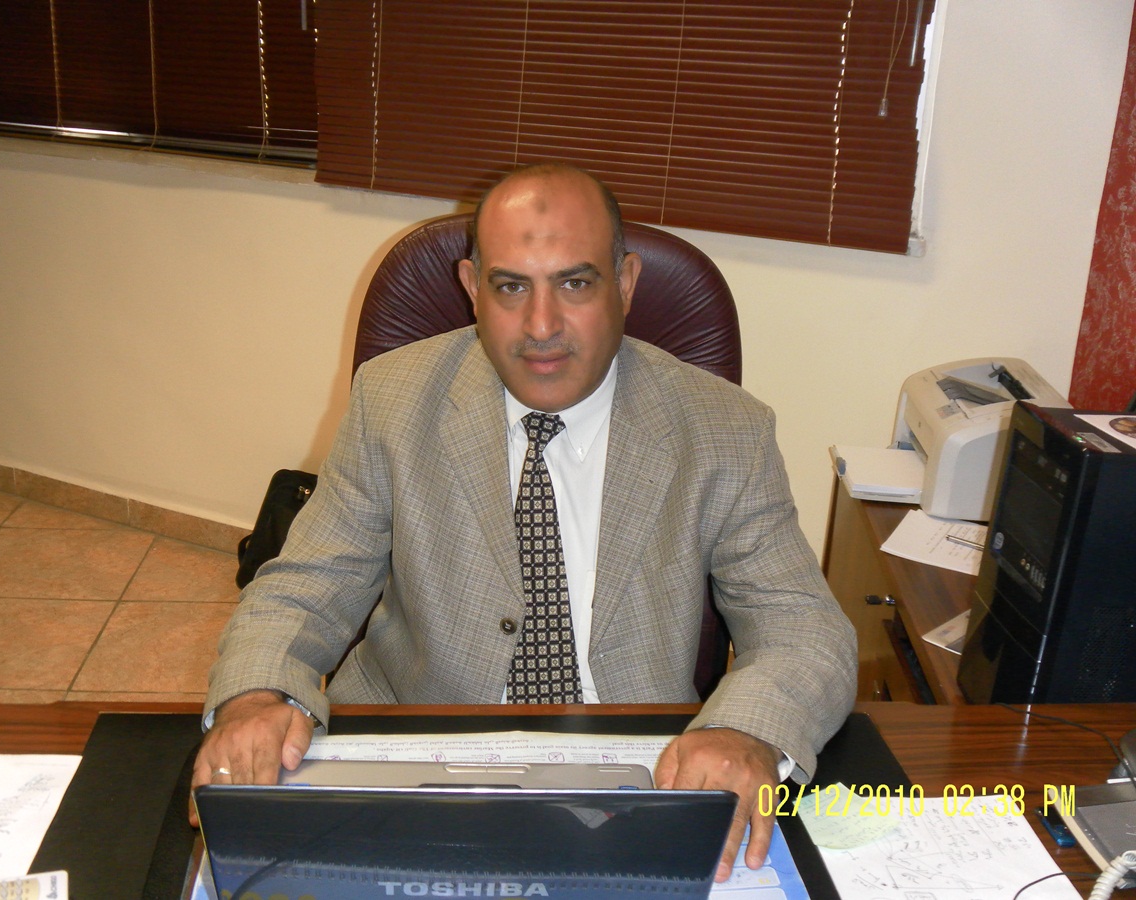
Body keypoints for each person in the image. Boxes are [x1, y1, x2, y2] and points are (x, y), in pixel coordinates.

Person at [192, 163, 856, 880]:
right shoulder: (391, 400)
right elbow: (304, 585)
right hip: (416, 751)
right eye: (511, 287)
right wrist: (257, 695)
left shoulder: (724, 428)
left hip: (636, 770)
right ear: (473, 288)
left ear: (625, 283)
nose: (541, 327)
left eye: (575, 284)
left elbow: (802, 626)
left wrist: (743, 730)